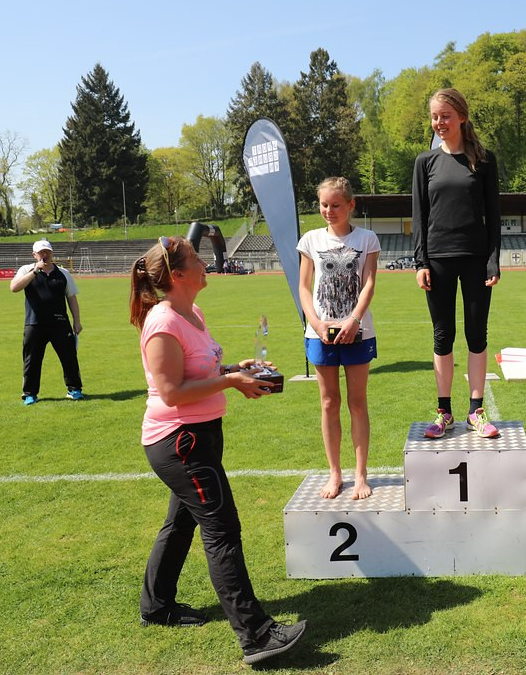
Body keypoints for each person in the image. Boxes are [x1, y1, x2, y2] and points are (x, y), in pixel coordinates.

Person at [129, 236, 306, 665]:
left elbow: (198, 369)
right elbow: (171, 392)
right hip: (180, 442)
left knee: (181, 523)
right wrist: (229, 383)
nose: (205, 262)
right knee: (221, 528)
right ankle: (257, 637)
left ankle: (157, 606)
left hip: (200, 436)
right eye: (196, 259)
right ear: (178, 274)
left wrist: (234, 370)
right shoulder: (162, 323)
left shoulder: (192, 312)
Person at [412, 87, 502, 439]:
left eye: (445, 116)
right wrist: (421, 261)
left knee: (476, 334)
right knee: (442, 335)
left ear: (462, 117)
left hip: (477, 259)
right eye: (435, 117)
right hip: (437, 260)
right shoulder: (425, 162)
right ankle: (444, 412)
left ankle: (476, 411)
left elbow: (493, 217)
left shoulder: (484, 160)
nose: (439, 123)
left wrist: (493, 261)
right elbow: (418, 216)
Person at [297, 176, 380, 500]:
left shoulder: (367, 239)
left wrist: (354, 319)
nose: (329, 210)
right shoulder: (311, 240)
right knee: (329, 402)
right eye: (324, 205)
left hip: (357, 331)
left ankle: (360, 475)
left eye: (335, 205)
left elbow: (370, 283)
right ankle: (335, 474)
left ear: (350, 205)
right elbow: (304, 286)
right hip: (320, 334)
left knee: (357, 403)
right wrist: (315, 323)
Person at [9, 239, 83, 404]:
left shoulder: (63, 273)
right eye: (41, 252)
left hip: (60, 323)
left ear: (51, 253)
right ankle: (29, 394)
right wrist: (35, 272)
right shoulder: (26, 270)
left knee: (69, 357)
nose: (45, 255)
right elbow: (14, 287)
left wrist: (76, 321)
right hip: (34, 323)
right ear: (34, 254)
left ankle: (75, 390)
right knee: (32, 359)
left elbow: (72, 298)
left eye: (47, 251)